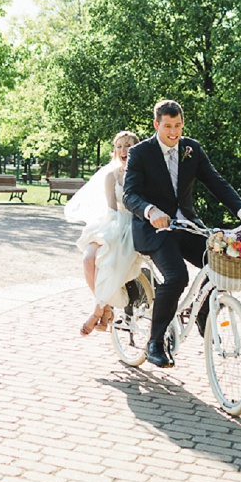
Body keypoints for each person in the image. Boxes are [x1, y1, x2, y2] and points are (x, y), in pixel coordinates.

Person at [123, 99, 241, 368]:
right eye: (167, 127)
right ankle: (155, 341)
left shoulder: (192, 149)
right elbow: (130, 194)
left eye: (177, 126)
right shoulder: (141, 153)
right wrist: (151, 211)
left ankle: (201, 314)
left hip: (188, 226)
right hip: (155, 231)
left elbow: (216, 182)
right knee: (177, 277)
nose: (173, 133)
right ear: (156, 125)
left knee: (221, 263)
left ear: (183, 123)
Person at [65, 131, 144, 336]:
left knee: (106, 263)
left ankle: (97, 311)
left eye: (128, 145)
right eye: (119, 146)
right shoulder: (111, 175)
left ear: (136, 149)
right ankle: (107, 309)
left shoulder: (143, 173)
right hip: (115, 222)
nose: (123, 150)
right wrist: (111, 233)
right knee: (88, 258)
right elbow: (112, 209)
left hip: (134, 223)